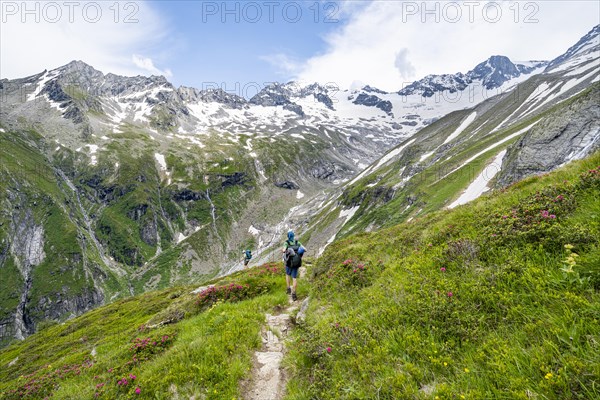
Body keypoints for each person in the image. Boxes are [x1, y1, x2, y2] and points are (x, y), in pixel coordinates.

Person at [282, 230, 305, 301]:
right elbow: (304, 249)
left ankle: (288, 288)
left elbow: (283, 250)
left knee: (287, 274)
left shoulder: (287, 242)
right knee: (294, 278)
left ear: (288, 236)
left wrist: (284, 250)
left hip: (289, 262)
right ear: (293, 235)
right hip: (297, 261)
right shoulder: (297, 242)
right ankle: (294, 294)